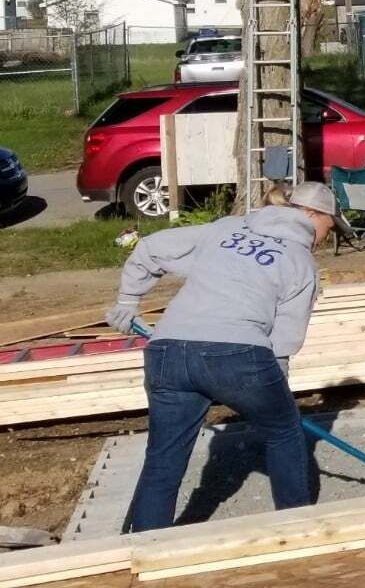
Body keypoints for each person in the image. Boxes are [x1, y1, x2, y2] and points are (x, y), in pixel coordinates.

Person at [107, 181, 341, 531]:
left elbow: (151, 248)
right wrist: (276, 381)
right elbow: (286, 337)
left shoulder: (227, 229)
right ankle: (297, 528)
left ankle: (140, 547)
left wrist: (128, 302)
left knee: (164, 457)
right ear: (311, 215)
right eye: (330, 226)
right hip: (237, 355)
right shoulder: (300, 260)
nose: (326, 236)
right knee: (284, 432)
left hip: (168, 351)